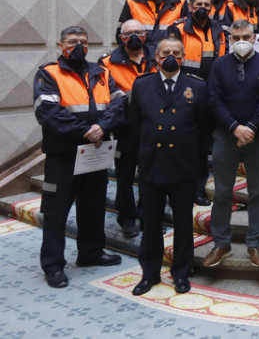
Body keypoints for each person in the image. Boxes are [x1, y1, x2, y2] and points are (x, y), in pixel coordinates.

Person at [34, 26, 127, 288]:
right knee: (55, 211)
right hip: (63, 155)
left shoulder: (101, 73)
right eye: (72, 42)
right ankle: (53, 265)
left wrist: (103, 127)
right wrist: (86, 130)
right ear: (60, 44)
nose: (78, 46)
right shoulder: (49, 74)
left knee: (93, 205)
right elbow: (48, 113)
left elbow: (119, 103)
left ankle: (91, 252)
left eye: (83, 42)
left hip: (95, 153)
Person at [130, 37, 209, 296]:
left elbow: (203, 128)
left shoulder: (196, 86)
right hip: (152, 165)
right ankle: (149, 274)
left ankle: (181, 273)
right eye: (166, 53)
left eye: (176, 52)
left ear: (183, 57)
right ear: (156, 56)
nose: (170, 56)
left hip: (184, 167)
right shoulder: (141, 85)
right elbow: (135, 126)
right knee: (150, 223)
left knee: (184, 224)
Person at [203, 19, 259, 268]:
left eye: (245, 36)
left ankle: (255, 244)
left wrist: (252, 127)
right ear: (229, 40)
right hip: (225, 135)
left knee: (258, 193)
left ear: (255, 37)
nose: (241, 41)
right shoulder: (219, 65)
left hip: (258, 136)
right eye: (236, 38)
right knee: (222, 192)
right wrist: (235, 127)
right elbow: (213, 101)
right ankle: (220, 243)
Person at [167, 0, 228, 205]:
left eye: (206, 6)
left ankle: (198, 190)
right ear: (191, 7)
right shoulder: (177, 29)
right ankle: (175, 191)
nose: (202, 9)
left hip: (209, 97)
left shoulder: (219, 31)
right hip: (182, 96)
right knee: (180, 146)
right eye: (198, 5)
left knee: (201, 148)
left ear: (211, 9)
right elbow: (170, 63)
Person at [99, 19, 157, 239]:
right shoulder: (107, 62)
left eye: (138, 32)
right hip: (124, 128)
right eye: (128, 33)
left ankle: (148, 216)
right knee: (124, 177)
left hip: (153, 127)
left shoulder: (157, 57)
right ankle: (127, 219)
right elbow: (106, 96)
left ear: (145, 35)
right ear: (121, 37)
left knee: (150, 176)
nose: (134, 36)